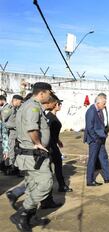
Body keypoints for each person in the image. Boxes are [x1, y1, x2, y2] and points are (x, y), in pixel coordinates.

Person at [10, 83, 58, 231]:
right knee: (45, 184)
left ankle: (29, 218)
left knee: (32, 186)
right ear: (42, 93)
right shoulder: (33, 106)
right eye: (49, 92)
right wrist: (38, 143)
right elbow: (32, 128)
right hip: (34, 155)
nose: (50, 95)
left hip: (28, 155)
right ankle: (22, 213)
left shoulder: (28, 105)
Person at [84, 94, 109, 186]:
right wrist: (95, 138)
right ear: (98, 102)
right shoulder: (91, 111)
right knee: (93, 160)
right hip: (94, 140)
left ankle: (108, 178)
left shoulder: (99, 110)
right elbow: (89, 127)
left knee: (104, 158)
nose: (105, 105)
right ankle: (90, 180)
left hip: (100, 138)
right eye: (104, 103)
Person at [46, 95, 73, 192]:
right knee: (56, 164)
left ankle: (59, 186)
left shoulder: (50, 116)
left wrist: (58, 140)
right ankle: (61, 186)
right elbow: (48, 133)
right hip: (50, 145)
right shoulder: (50, 117)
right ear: (55, 105)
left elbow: (53, 132)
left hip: (52, 143)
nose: (60, 105)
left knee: (55, 164)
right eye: (59, 104)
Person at [2, 95, 23, 175]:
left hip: (16, 133)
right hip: (11, 134)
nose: (20, 104)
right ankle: (10, 168)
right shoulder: (9, 108)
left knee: (16, 151)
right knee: (11, 151)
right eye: (20, 102)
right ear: (16, 100)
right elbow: (3, 121)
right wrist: (15, 125)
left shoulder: (15, 108)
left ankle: (14, 167)